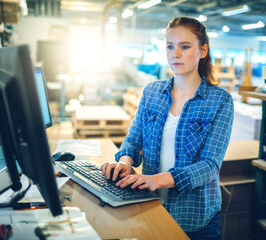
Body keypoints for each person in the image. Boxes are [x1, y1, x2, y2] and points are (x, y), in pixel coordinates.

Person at [100, 16, 234, 240]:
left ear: (203, 50)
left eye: (185, 46)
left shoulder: (219, 101)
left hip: (195, 218)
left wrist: (156, 180)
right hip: (150, 206)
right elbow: (133, 140)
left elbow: (210, 166)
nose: (176, 54)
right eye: (170, 47)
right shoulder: (152, 92)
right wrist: (124, 162)